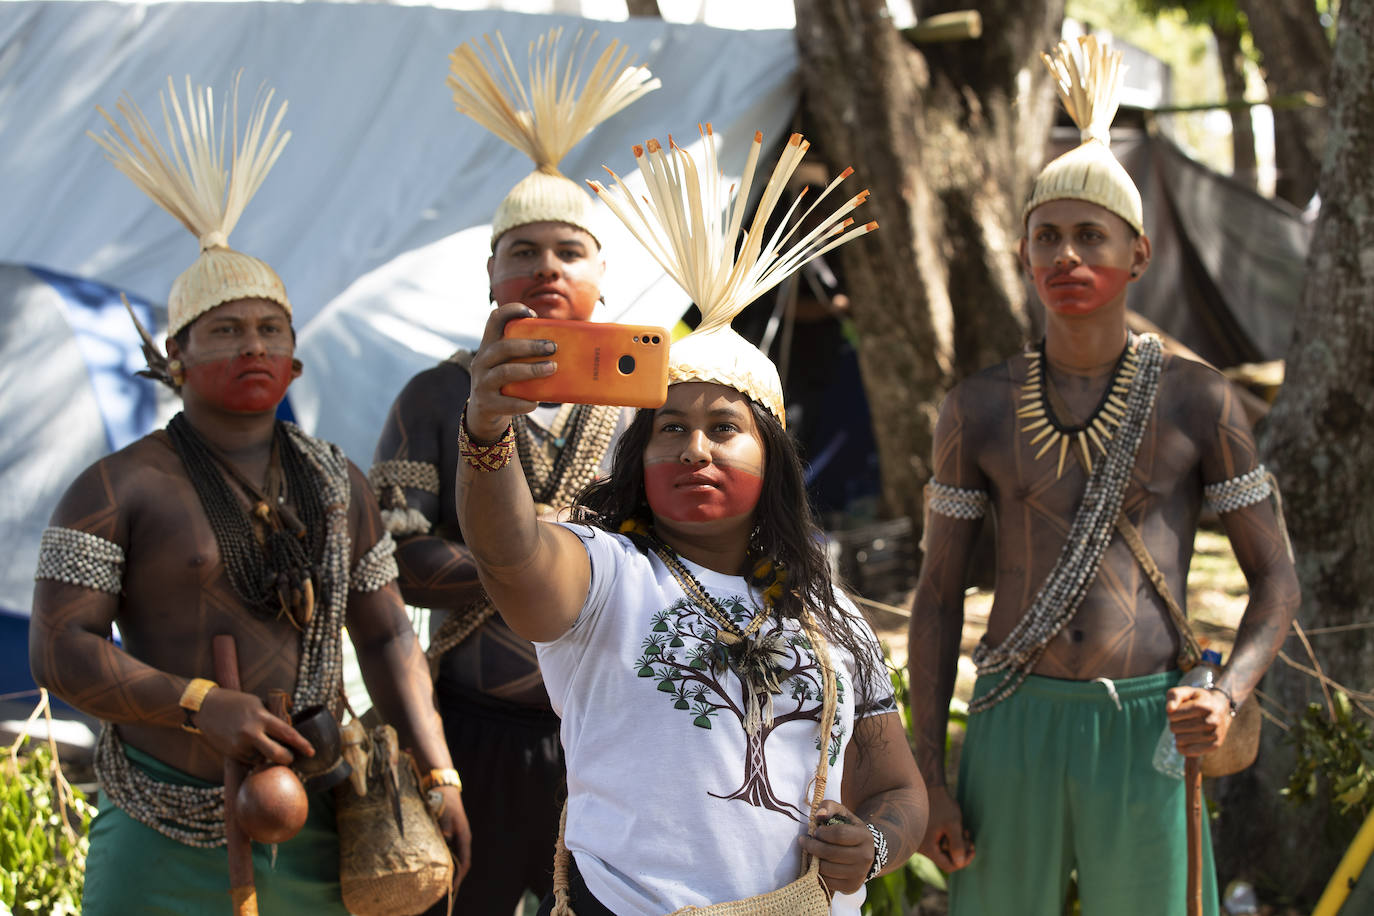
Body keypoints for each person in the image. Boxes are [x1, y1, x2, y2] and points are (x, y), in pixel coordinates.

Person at [455, 125, 927, 915]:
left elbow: (895, 786)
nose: (695, 448)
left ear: (772, 457)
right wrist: (487, 431)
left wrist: (872, 843)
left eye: (724, 428)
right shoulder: (607, 573)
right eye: (669, 429)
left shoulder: (831, 612)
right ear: (639, 457)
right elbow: (511, 559)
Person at [29, 75, 470, 915]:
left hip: (325, 815)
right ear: (177, 361)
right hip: (162, 821)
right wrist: (199, 706)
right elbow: (60, 652)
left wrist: (437, 771)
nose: (252, 345)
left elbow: (386, 638)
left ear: (296, 363)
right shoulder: (115, 485)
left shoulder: (337, 483)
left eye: (270, 329)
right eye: (225, 330)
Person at [906, 37, 1301, 916]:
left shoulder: (1202, 401)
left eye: (1092, 236)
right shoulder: (976, 407)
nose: (1067, 257)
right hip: (1012, 715)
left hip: (1152, 722)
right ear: (1022, 254)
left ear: (1140, 255)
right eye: (1047, 236)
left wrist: (1227, 695)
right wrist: (930, 774)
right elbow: (936, 595)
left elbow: (1276, 580)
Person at [368, 29, 659, 914]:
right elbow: (401, 566)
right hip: (475, 733)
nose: (545, 270)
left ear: (602, 276)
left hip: (617, 730)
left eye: (568, 252)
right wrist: (551, 569)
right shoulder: (437, 394)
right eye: (522, 252)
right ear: (491, 273)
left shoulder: (651, 403)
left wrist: (529, 562)